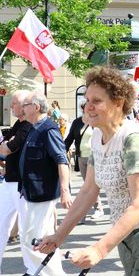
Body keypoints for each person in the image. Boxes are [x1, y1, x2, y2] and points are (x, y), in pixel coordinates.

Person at [36, 67, 139, 275]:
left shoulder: (132, 139)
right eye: (87, 100)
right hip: (127, 233)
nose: (88, 107)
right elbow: (88, 191)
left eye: (97, 101)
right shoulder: (97, 135)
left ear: (118, 103)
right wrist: (59, 235)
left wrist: (98, 249)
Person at [18, 92, 71, 276]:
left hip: (42, 193)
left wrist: (65, 190)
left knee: (32, 239)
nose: (22, 109)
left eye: (25, 105)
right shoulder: (34, 128)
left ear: (36, 107)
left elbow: (62, 160)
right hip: (33, 192)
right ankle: (43, 272)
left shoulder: (48, 129)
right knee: (44, 238)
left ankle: (49, 273)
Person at [0, 90, 32, 270]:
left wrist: (7, 144)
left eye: (14, 103)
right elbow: (4, 145)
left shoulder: (28, 125)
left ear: (25, 105)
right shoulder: (18, 124)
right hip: (9, 181)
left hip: (22, 185)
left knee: (26, 231)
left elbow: (7, 148)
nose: (10, 106)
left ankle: (34, 269)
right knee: (1, 225)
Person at [64, 105, 104, 222]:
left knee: (91, 185)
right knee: (88, 185)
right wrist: (61, 152)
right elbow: (70, 138)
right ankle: (95, 209)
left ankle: (87, 212)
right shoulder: (77, 122)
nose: (87, 110)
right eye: (84, 108)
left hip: (94, 157)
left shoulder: (96, 121)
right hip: (81, 157)